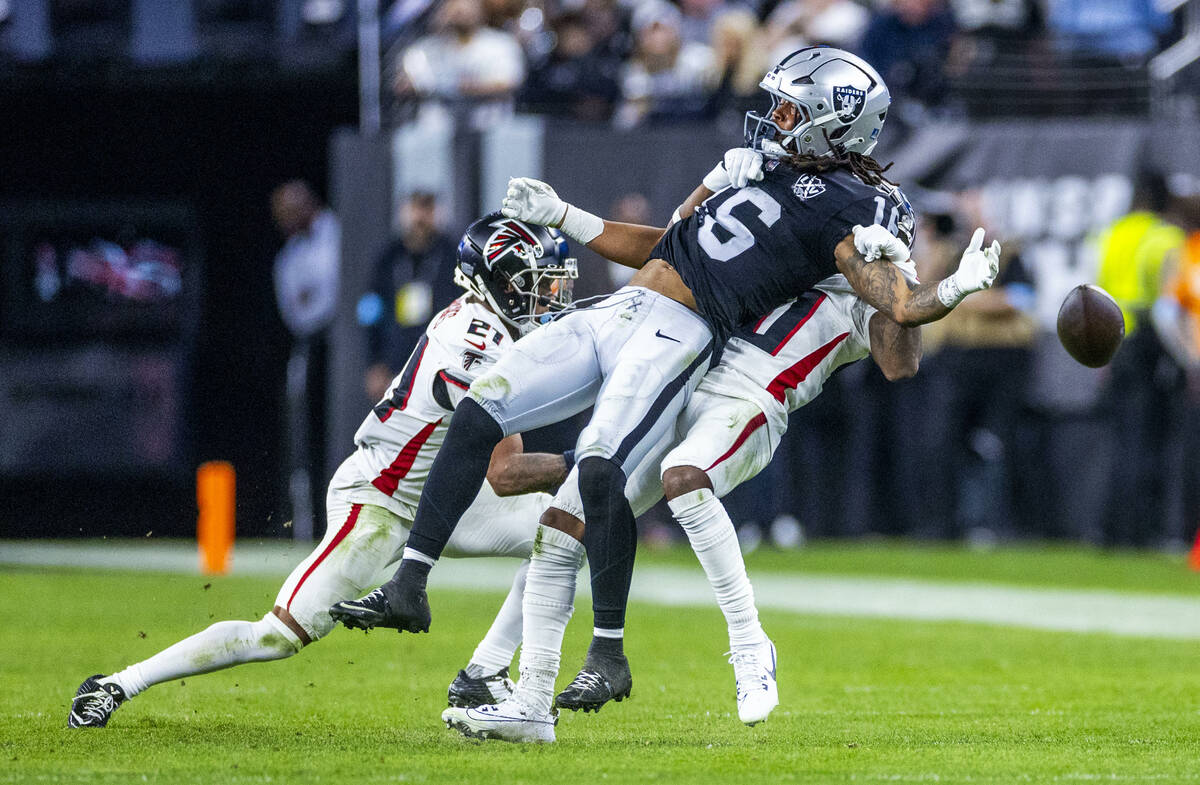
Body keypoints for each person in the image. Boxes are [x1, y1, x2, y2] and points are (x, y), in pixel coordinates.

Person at [331, 47, 1000, 734]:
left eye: (791, 109)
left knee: (668, 478)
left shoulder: (860, 222)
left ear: (836, 128)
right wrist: (575, 213)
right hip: (688, 363)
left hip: (742, 389)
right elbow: (672, 246)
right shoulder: (777, 181)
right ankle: (508, 685)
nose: (772, 120)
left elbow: (899, 342)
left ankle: (734, 646)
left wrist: (932, 282)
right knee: (564, 517)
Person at [442, 172, 927, 740]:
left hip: (748, 406)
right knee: (564, 523)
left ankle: (749, 643)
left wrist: (908, 282)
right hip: (685, 385)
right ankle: (520, 695)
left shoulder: (853, 299)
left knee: (684, 479)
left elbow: (901, 362)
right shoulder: (787, 248)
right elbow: (675, 247)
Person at [66, 214, 579, 728]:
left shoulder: (492, 327)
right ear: (497, 282)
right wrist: (590, 460)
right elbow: (506, 472)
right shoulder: (477, 347)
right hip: (380, 502)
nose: (549, 295)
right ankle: (118, 683)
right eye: (535, 283)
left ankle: (484, 673)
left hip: (440, 497)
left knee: (564, 531)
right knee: (276, 636)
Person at [271, 180, 341, 541]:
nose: (282, 222)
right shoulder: (289, 256)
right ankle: (309, 522)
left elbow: (330, 294)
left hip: (347, 342)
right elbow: (297, 313)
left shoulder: (341, 232)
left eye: (287, 213)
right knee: (306, 433)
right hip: (313, 346)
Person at [361, 191, 459, 403]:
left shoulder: (453, 256)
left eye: (428, 209)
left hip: (442, 362)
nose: (420, 217)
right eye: (416, 208)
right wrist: (374, 362)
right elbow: (369, 311)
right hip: (395, 361)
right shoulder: (388, 259)